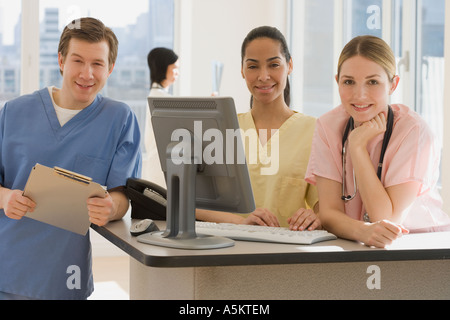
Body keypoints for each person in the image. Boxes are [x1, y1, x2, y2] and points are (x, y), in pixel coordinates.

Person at [0, 17, 141, 299]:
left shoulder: (120, 120)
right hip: (9, 265)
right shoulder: (13, 113)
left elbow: (123, 196)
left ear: (110, 68)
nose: (87, 74)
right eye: (77, 61)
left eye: (97, 64)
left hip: (66, 274)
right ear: (61, 60)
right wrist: (6, 199)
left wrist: (110, 208)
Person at [305, 35, 450, 248]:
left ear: (393, 84)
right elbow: (329, 213)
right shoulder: (328, 126)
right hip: (357, 243)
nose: (360, 95)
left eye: (373, 82)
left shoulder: (414, 131)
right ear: (337, 82)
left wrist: (357, 147)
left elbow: (386, 218)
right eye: (349, 82)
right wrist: (361, 231)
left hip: (419, 246)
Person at [197, 26, 320, 231]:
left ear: (289, 65)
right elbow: (194, 204)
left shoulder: (314, 131)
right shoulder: (222, 129)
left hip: (288, 255)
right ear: (242, 71)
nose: (263, 76)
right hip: (228, 250)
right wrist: (241, 222)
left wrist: (316, 216)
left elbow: (325, 206)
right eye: (253, 66)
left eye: (274, 65)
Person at [142, 47, 179, 187]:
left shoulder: (155, 96)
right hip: (160, 168)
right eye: (174, 68)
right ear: (164, 68)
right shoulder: (160, 99)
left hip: (157, 166)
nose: (177, 73)